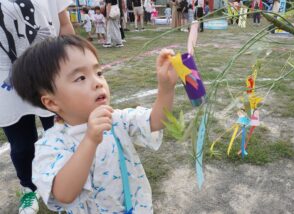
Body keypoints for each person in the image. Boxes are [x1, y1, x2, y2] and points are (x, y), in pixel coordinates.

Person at [11, 35, 178, 213]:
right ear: (51, 103)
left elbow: (157, 121)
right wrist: (90, 140)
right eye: (81, 78)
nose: (98, 83)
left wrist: (166, 89)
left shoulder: (116, 119)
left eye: (99, 73)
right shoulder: (52, 146)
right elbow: (64, 194)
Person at [0, 0, 74, 213]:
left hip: (48, 75)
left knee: (62, 134)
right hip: (6, 83)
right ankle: (29, 189)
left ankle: (66, 183)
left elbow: (64, 25)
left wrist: (72, 63)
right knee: (22, 146)